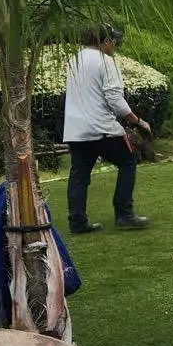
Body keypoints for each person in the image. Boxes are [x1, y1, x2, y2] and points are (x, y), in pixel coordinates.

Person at [63, 24, 152, 233]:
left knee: (79, 174)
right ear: (104, 42)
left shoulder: (74, 59)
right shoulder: (105, 61)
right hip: (101, 127)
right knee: (128, 162)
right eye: (113, 40)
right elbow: (114, 99)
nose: (115, 44)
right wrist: (137, 121)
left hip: (76, 129)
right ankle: (125, 214)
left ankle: (77, 223)